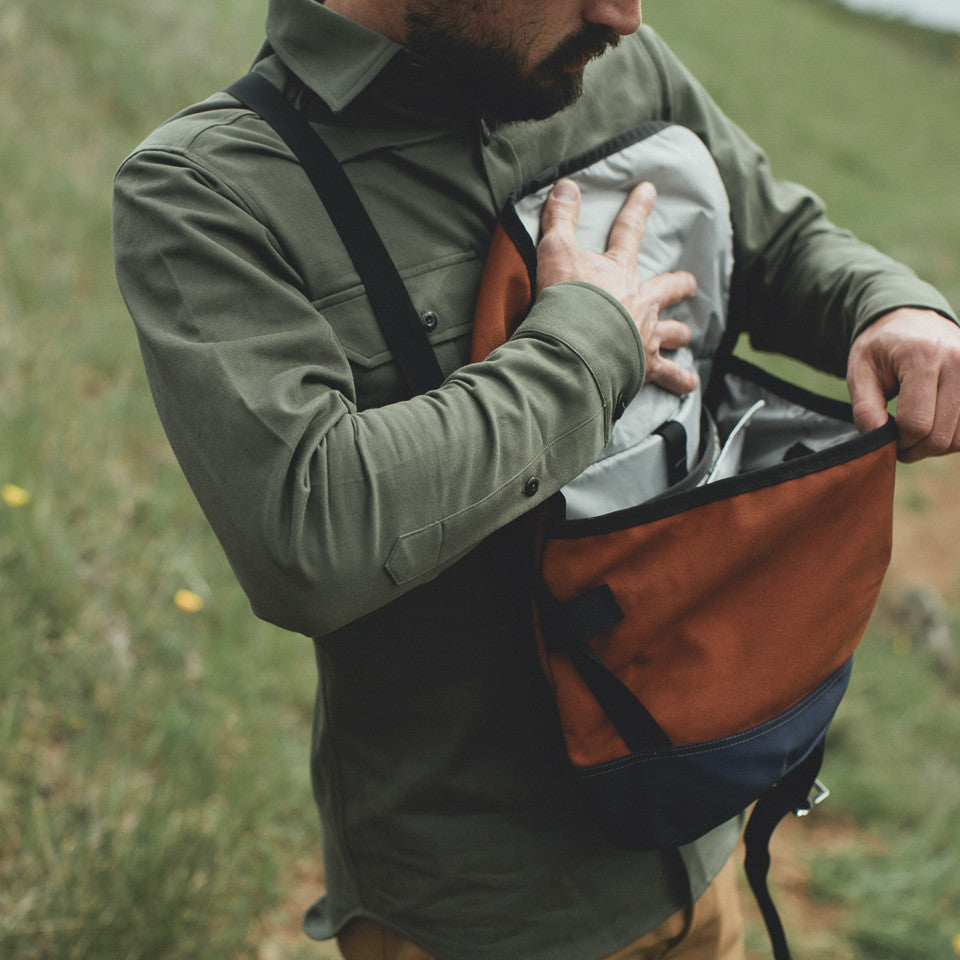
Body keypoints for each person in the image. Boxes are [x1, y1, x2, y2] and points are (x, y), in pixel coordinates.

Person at [112, 0, 960, 957]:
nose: (625, 17)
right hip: (485, 911)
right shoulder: (208, 189)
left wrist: (893, 306)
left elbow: (768, 235)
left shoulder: (605, 64)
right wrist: (587, 347)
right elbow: (309, 535)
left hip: (701, 827)